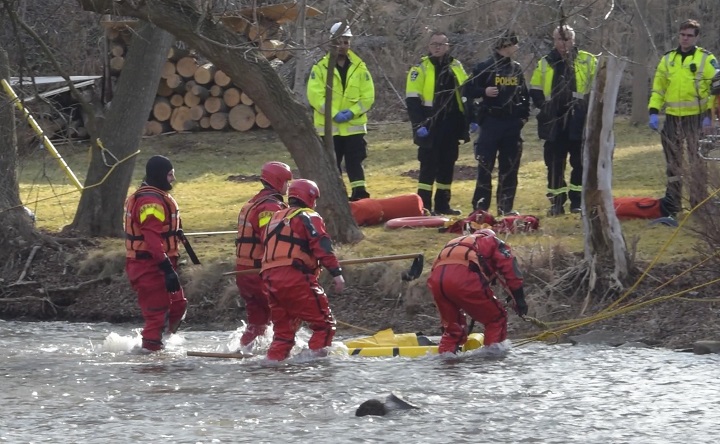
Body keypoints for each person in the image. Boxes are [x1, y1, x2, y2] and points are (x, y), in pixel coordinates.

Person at [260, 179, 346, 361]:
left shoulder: (274, 219)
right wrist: (336, 273)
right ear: (309, 197)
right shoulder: (309, 216)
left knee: (283, 334)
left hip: (269, 280)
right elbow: (321, 245)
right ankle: (312, 365)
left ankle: (271, 367)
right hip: (295, 278)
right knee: (324, 325)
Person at [648, 19, 718, 217]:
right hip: (672, 118)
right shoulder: (668, 59)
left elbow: (716, 88)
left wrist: (709, 117)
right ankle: (672, 204)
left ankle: (699, 204)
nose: (685, 39)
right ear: (678, 35)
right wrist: (653, 111)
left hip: (697, 118)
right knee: (673, 164)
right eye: (682, 35)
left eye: (689, 35)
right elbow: (658, 88)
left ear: (696, 37)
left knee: (697, 163)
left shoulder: (706, 59)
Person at [529, 25, 597, 216]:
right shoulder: (545, 62)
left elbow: (597, 87)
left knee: (580, 162)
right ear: (554, 40)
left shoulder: (587, 60)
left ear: (573, 40)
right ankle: (557, 202)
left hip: (578, 118)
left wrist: (588, 110)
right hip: (555, 121)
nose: (563, 43)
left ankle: (577, 201)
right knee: (554, 163)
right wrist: (545, 108)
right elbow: (535, 89)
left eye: (566, 39)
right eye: (559, 39)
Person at [427, 229, 528, 354]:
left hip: (437, 283)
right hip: (464, 279)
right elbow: (510, 268)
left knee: (453, 330)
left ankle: (446, 362)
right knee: (496, 319)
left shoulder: (455, 243)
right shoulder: (491, 241)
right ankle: (492, 360)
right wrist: (519, 299)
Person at [124, 155, 187, 352]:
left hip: (157, 264)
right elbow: (152, 239)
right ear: (160, 175)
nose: (173, 179)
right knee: (157, 315)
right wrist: (167, 268)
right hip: (149, 266)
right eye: (170, 175)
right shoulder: (150, 202)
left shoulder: (155, 196)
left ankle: (162, 343)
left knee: (178, 305)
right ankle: (151, 359)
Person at [307, 22, 375, 201]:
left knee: (355, 162)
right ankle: (336, 198)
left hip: (354, 127)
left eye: (346, 42)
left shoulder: (360, 67)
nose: (343, 46)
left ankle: (360, 196)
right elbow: (315, 96)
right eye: (340, 42)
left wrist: (352, 112)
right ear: (331, 42)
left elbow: (367, 96)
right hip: (329, 129)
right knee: (332, 165)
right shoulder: (320, 68)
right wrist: (333, 113)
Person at [464, 30, 530, 215]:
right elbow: (467, 90)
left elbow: (524, 94)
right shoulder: (484, 67)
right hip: (491, 122)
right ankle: (480, 207)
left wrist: (523, 117)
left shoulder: (515, 68)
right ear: (506, 46)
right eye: (514, 44)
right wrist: (484, 91)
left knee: (509, 167)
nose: (516, 48)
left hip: (512, 124)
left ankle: (505, 208)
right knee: (485, 166)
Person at [405, 31, 470, 215]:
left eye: (441, 44)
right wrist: (418, 125)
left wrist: (470, 120)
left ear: (448, 46)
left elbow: (466, 94)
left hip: (451, 124)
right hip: (430, 123)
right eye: (434, 44)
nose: (437, 47)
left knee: (447, 165)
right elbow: (412, 100)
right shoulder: (420, 68)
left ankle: (443, 205)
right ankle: (424, 207)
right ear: (429, 46)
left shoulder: (456, 66)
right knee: (428, 166)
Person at [234, 161, 293, 350]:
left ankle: (247, 350)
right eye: (287, 181)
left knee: (258, 320)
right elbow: (271, 239)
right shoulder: (269, 207)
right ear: (278, 181)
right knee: (283, 312)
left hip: (244, 271)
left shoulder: (254, 202)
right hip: (259, 271)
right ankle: (282, 350)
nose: (288, 186)